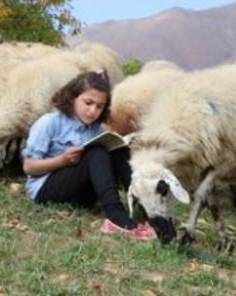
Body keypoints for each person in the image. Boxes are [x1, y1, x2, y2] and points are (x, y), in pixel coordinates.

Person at [21, 71, 155, 240]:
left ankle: (147, 210)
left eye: (99, 106)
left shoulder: (96, 130)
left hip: (81, 195)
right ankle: (116, 219)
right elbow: (29, 167)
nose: (93, 111)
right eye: (88, 103)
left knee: (119, 150)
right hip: (45, 189)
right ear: (72, 98)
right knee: (96, 153)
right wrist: (62, 160)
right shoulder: (50, 122)